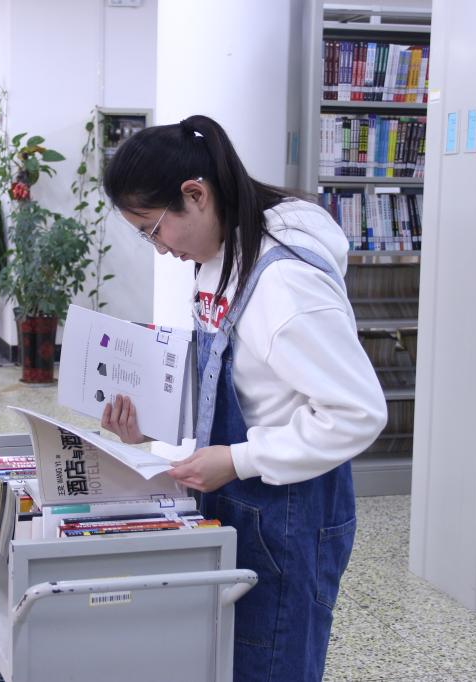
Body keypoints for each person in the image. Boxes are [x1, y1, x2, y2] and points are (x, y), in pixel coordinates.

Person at [100, 114, 387, 682]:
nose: (159, 249)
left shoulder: (285, 285)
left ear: (196, 195)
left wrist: (237, 459)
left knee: (272, 664)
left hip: (288, 514)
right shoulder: (216, 255)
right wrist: (152, 423)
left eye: (154, 230)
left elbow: (358, 413)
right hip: (241, 498)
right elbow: (234, 380)